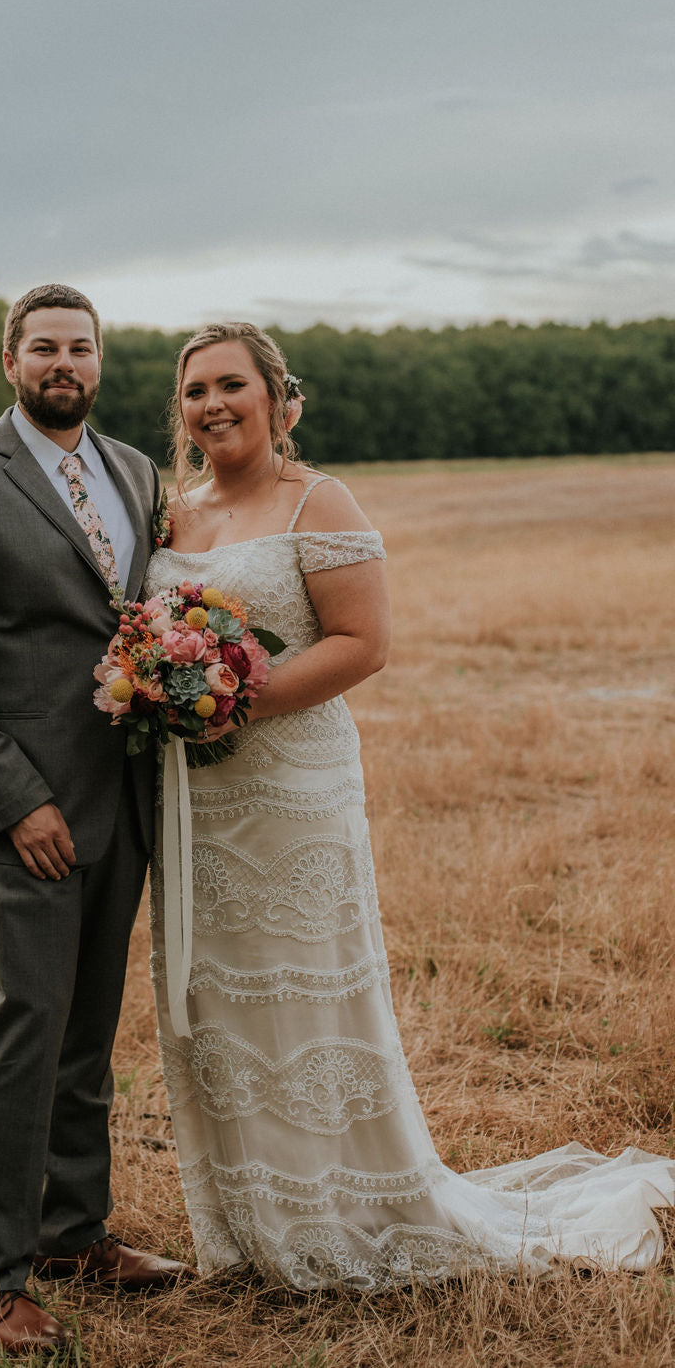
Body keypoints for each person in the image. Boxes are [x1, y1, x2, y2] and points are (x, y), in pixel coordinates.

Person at [145, 321, 675, 1290]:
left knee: (309, 997)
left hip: (291, 794)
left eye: (231, 384)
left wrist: (232, 697)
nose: (211, 404)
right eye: (194, 391)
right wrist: (164, 693)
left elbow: (362, 642)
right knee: (215, 1005)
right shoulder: (171, 515)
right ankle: (258, 1227)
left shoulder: (317, 499)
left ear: (275, 396)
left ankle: (346, 1213)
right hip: (197, 805)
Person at [0, 283, 192, 1356]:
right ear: (9, 360)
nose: (62, 362)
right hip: (22, 804)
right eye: (43, 348)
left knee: (88, 1029)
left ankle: (74, 1232)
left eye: (80, 346)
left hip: (123, 792)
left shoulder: (132, 469)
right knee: (23, 1028)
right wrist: (15, 796)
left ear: (101, 363)